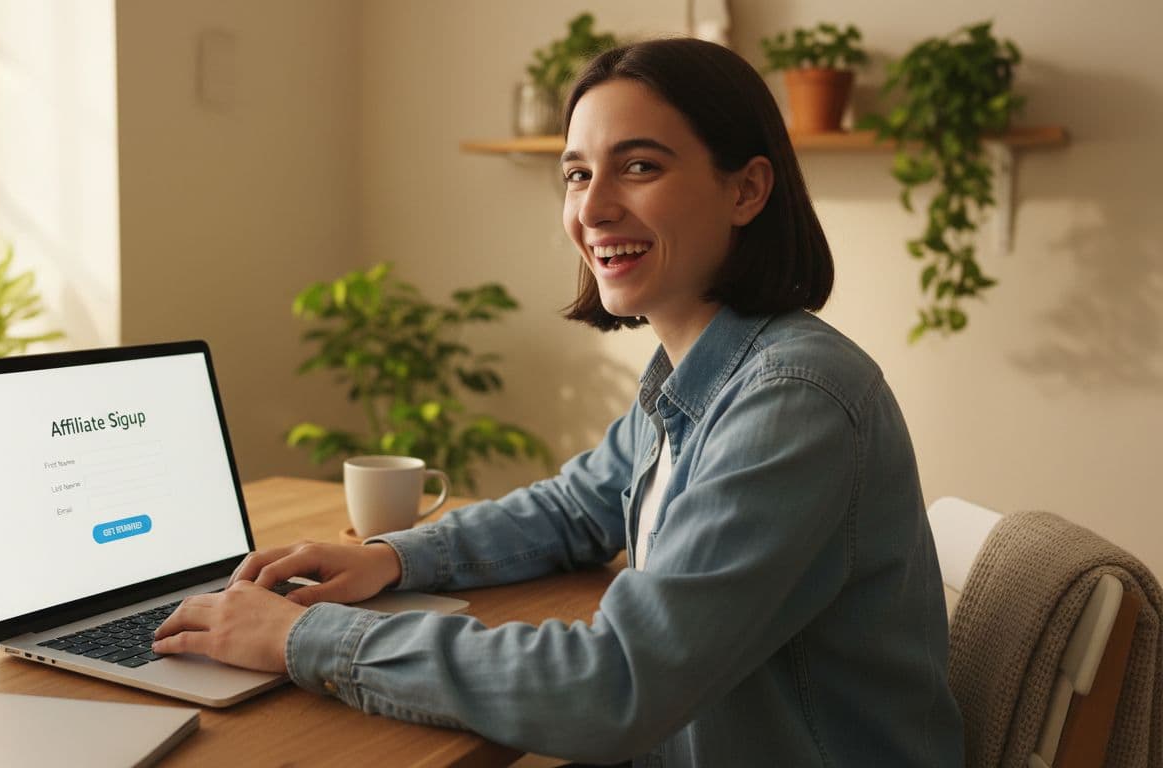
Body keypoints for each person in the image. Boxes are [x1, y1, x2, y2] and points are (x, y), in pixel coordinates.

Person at [153, 38, 964, 767]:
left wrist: (302, 637)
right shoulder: (701, 374)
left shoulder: (793, 400)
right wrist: (394, 557)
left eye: (639, 166)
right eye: (577, 173)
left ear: (747, 189)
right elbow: (573, 510)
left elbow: (614, 686)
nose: (593, 207)